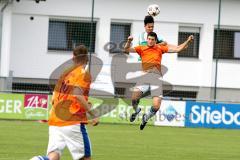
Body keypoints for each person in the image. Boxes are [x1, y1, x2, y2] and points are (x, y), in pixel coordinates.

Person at [32, 45, 98, 160]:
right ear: (87, 59)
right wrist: (93, 114)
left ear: (73, 57)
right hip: (72, 121)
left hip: (55, 120)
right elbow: (77, 95)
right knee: (85, 158)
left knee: (53, 156)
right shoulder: (83, 74)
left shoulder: (64, 74)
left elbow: (54, 99)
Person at [124, 32, 193, 130]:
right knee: (134, 99)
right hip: (144, 77)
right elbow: (126, 50)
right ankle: (136, 111)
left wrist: (188, 41)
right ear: (147, 39)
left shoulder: (160, 48)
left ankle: (146, 118)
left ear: (155, 41)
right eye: (149, 39)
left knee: (156, 106)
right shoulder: (141, 48)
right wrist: (129, 41)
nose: (151, 41)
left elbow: (178, 49)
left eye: (153, 40)